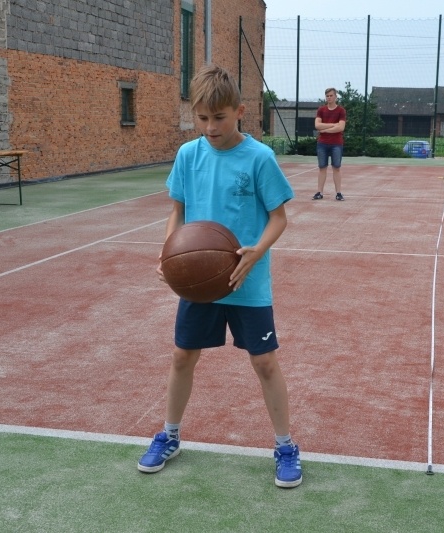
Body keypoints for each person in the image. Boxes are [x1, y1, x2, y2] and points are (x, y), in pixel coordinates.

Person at [137, 64, 301, 488]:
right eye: (203, 118)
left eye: (220, 118)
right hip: (199, 280)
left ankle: (285, 446)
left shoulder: (259, 158)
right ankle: (169, 435)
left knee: (265, 363)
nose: (211, 127)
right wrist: (168, 255)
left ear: (240, 111)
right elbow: (177, 211)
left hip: (247, 280)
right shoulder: (188, 155)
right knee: (181, 357)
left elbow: (279, 218)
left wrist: (257, 251)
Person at [312, 87, 346, 201]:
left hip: (337, 144)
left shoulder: (341, 111)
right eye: (327, 96)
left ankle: (339, 193)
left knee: (336, 168)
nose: (329, 98)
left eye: (331, 95)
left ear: (335, 96)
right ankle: (319, 192)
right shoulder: (321, 110)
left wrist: (325, 129)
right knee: (322, 168)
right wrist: (333, 125)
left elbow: (341, 127)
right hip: (322, 144)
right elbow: (317, 125)